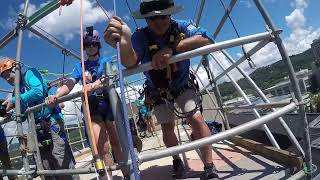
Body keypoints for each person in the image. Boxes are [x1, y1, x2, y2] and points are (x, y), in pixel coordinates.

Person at [104, 0, 219, 179]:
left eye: (163, 16)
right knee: (167, 127)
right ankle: (177, 160)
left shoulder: (181, 26)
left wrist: (171, 49)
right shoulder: (140, 36)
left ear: (170, 15)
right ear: (146, 20)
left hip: (182, 85)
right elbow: (131, 62)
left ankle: (209, 167)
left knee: (196, 118)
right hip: (157, 92)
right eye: (152, 18)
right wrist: (125, 44)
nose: (159, 21)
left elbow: (207, 38)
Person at [45, 27, 129, 179]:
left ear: (98, 46)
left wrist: (94, 84)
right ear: (84, 47)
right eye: (87, 45)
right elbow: (70, 82)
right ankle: (107, 178)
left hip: (109, 103)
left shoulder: (106, 61)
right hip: (93, 107)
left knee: (117, 142)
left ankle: (127, 174)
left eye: (94, 44)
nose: (91, 47)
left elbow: (109, 76)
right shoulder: (80, 67)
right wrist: (57, 95)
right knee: (102, 147)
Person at [0, 57, 78, 180]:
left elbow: (38, 91)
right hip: (36, 126)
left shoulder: (30, 74)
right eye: (4, 77)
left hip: (52, 120)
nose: (7, 78)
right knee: (44, 163)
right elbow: (25, 114)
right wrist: (16, 113)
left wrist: (14, 100)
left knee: (60, 158)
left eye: (8, 74)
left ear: (17, 69)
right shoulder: (17, 90)